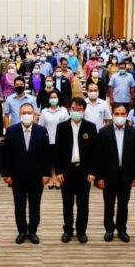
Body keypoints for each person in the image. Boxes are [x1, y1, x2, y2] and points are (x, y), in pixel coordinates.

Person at [2, 103, 50, 244]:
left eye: (29, 112)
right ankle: (22, 231)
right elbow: (6, 154)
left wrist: (46, 173)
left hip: (37, 176)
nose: (27, 115)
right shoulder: (11, 131)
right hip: (17, 176)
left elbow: (46, 154)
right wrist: (6, 174)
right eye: (24, 113)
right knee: (19, 205)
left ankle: (33, 231)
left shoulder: (42, 131)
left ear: (34, 115)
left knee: (35, 205)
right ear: (19, 114)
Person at [54, 97, 98, 243]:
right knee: (67, 203)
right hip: (67, 171)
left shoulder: (90, 127)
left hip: (84, 172)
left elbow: (95, 152)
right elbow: (57, 151)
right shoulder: (62, 127)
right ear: (69, 109)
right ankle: (68, 229)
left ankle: (81, 230)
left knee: (83, 204)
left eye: (79, 109)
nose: (76, 111)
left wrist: (93, 171)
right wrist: (58, 171)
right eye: (74, 109)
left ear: (84, 110)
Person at [96, 104, 135, 242]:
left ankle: (122, 229)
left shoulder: (134, 132)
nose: (119, 116)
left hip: (126, 174)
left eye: (122, 114)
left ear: (127, 115)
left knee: (123, 204)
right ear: (112, 115)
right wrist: (99, 177)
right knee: (109, 204)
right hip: (109, 174)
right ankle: (109, 229)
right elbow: (99, 156)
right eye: (117, 114)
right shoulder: (103, 132)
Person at [39, 90, 69, 189]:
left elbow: (67, 125)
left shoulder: (64, 110)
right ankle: (52, 179)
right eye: (51, 97)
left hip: (61, 141)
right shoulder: (44, 111)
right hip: (48, 140)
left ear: (58, 98)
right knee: (50, 161)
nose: (53, 99)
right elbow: (41, 127)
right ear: (48, 99)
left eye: (55, 97)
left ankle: (58, 179)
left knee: (59, 160)